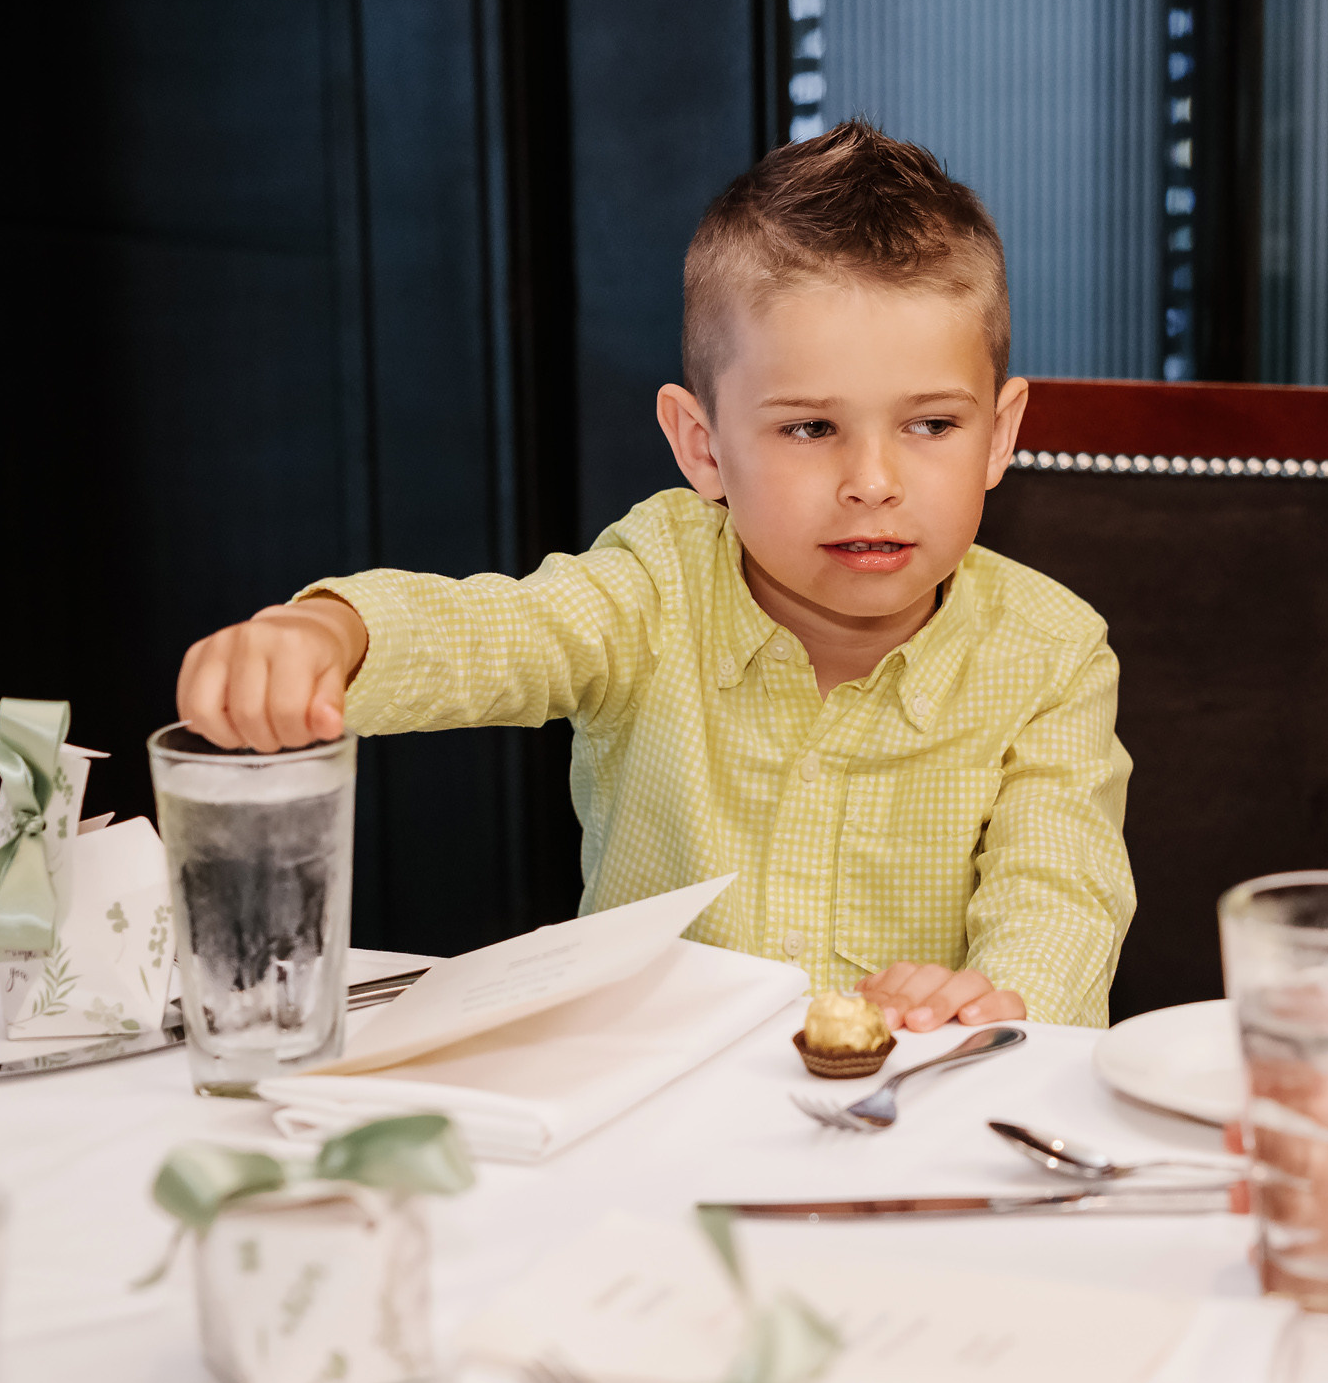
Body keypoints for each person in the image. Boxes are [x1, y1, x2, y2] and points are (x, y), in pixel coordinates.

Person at [173, 122, 1133, 1031]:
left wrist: (988, 1003)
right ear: (703, 446)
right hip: (641, 1128)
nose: (872, 484)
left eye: (930, 425)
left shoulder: (1050, 653)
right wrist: (333, 633)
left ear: (1000, 434)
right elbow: (502, 630)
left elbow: (1062, 894)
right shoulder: (655, 582)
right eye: (810, 428)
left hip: (918, 1122)